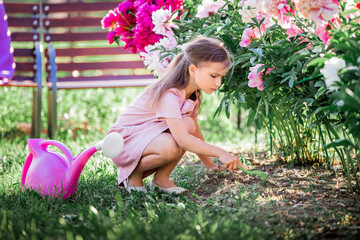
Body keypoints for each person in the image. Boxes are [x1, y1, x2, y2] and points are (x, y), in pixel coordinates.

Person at [107, 37, 248, 195]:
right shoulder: (170, 95)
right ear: (193, 70)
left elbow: (193, 132)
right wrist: (221, 153)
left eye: (221, 77)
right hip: (124, 143)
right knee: (171, 146)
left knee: (188, 124)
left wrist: (209, 165)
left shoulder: (193, 94)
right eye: (213, 76)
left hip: (148, 138)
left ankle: (161, 179)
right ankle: (133, 175)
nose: (218, 83)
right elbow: (183, 140)